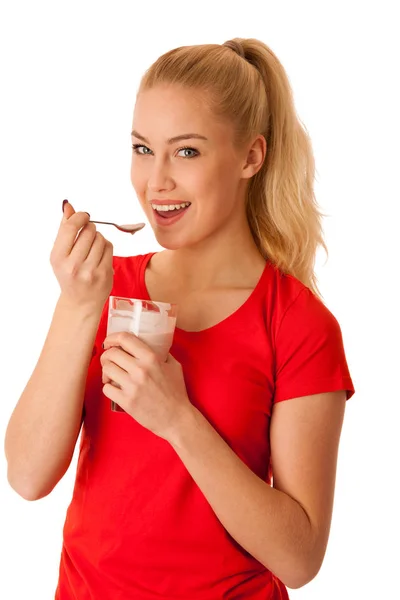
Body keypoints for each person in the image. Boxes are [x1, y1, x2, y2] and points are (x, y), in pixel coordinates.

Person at [4, 37, 355, 599]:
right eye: (143, 149)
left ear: (251, 157)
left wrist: (176, 418)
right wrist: (76, 305)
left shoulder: (298, 324)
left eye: (186, 152)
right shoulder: (101, 287)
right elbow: (26, 475)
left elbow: (299, 558)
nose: (155, 180)